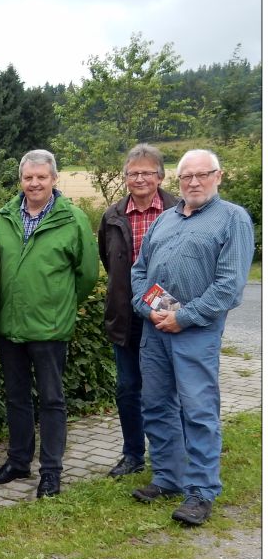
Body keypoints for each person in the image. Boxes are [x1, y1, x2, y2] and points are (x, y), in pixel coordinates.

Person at [130, 149, 254, 526]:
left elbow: (229, 286)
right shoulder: (165, 219)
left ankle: (201, 491)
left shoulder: (232, 219)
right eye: (187, 176)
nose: (194, 182)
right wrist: (149, 308)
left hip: (196, 332)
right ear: (178, 181)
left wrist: (183, 318)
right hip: (156, 329)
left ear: (219, 176)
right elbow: (140, 271)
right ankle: (168, 477)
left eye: (202, 175)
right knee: (156, 405)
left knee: (198, 411)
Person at [0, 149, 98, 498]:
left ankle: (51, 471)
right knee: (16, 398)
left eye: (41, 177)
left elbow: (87, 275)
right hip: (10, 325)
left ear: (54, 178)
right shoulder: (3, 216)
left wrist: (60, 306)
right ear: (20, 180)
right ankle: (18, 461)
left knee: (51, 400)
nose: (34, 183)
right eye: (28, 177)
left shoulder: (73, 219)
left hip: (50, 328)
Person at [97, 145, 178, 478]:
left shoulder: (178, 210)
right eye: (133, 173)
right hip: (126, 313)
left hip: (167, 310)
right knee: (128, 388)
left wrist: (169, 309)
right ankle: (132, 455)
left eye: (147, 172)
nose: (140, 178)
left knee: (168, 389)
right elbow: (109, 261)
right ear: (126, 177)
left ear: (160, 176)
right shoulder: (112, 215)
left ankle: (173, 454)